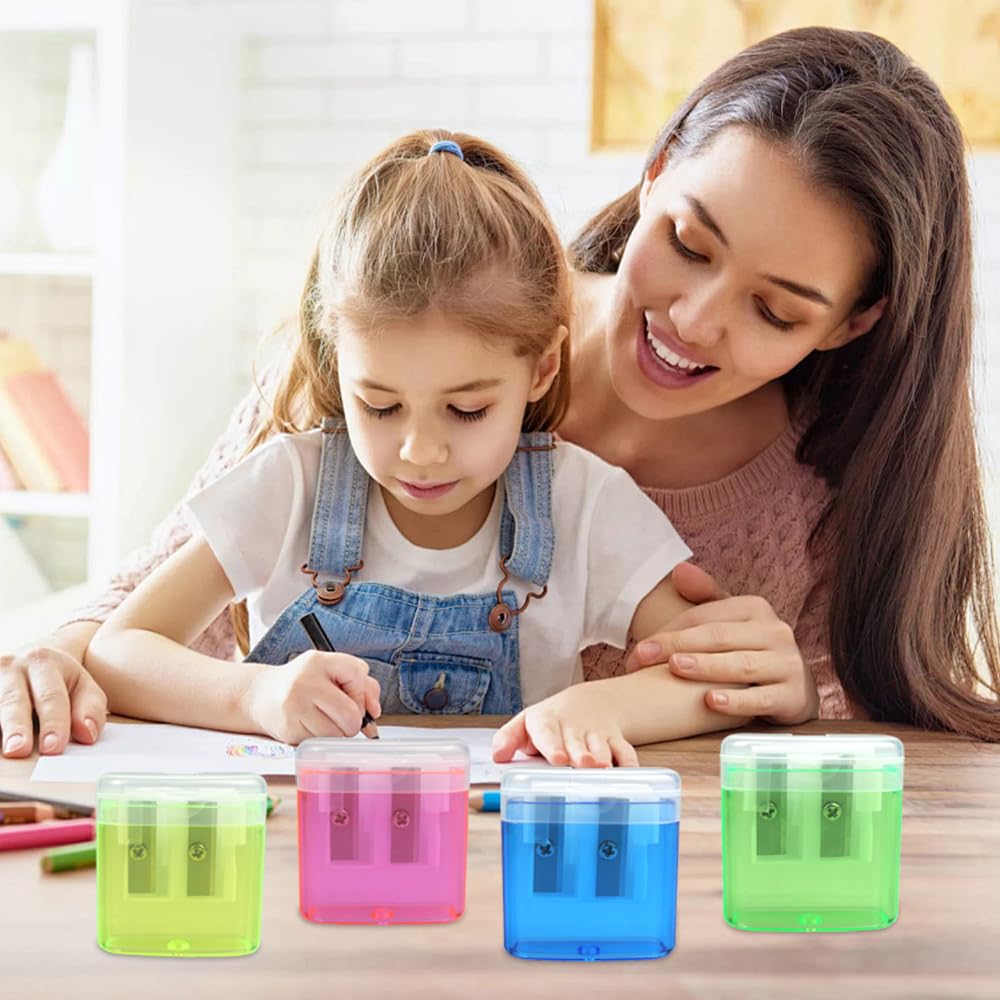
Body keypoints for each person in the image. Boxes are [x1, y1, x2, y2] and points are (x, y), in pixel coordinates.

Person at [3, 25, 997, 758]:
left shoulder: (798, 493)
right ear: (654, 173)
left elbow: (824, 736)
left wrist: (786, 701)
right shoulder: (415, 316)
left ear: (851, 323)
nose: (695, 319)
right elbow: (128, 617)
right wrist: (62, 659)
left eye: (774, 311)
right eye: (689, 243)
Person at [83, 130, 745, 768]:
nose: (420, 452)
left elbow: (716, 675)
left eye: (467, 410)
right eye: (380, 405)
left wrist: (602, 706)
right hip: (300, 830)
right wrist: (254, 695)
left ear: (542, 369)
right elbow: (119, 650)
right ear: (337, 362)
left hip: (492, 836)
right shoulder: (291, 486)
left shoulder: (584, 506)